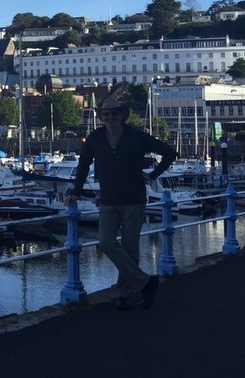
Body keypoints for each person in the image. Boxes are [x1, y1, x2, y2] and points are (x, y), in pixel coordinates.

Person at [67, 92, 176, 311]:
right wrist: (76, 191)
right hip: (108, 199)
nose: (110, 117)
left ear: (121, 115)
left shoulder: (136, 136)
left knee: (130, 249)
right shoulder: (95, 138)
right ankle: (146, 282)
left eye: (114, 113)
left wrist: (153, 175)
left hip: (134, 199)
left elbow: (169, 152)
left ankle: (125, 295)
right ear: (101, 117)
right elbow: (83, 165)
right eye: (106, 114)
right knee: (106, 242)